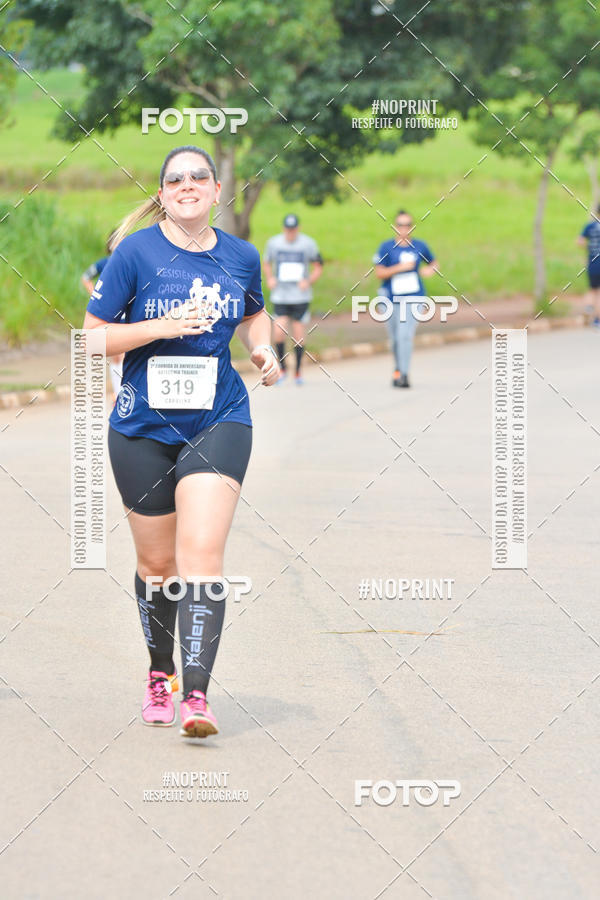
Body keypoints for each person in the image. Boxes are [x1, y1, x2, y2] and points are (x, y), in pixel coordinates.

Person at [83, 145, 280, 739]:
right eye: (176, 179)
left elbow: (253, 315)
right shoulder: (135, 254)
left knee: (200, 557)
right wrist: (164, 327)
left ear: (217, 191)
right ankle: (160, 674)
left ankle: (196, 695)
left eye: (199, 176)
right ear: (163, 194)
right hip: (141, 427)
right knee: (158, 563)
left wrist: (262, 349)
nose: (188, 184)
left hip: (217, 420)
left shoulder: (242, 256)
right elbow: (91, 340)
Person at [373, 210, 437, 388]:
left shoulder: (420, 246)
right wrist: (400, 268)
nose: (404, 228)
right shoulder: (386, 248)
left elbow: (433, 262)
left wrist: (429, 270)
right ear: (395, 226)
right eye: (400, 225)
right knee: (395, 339)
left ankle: (404, 374)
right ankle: (398, 368)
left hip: (413, 298)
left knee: (405, 335)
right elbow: (379, 272)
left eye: (407, 225)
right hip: (391, 298)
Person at [264, 213, 323, 385]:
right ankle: (282, 367)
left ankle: (298, 370)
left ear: (298, 229)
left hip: (300, 296)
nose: (290, 233)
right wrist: (270, 278)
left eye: (293, 229)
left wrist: (309, 281)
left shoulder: (308, 244)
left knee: (298, 335)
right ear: (284, 229)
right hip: (281, 295)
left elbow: (318, 266)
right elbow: (267, 262)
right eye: (288, 229)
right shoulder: (274, 243)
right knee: (279, 332)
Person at [82, 245, 124, 402]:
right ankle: (117, 390)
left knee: (125, 352)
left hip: (126, 312)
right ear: (110, 245)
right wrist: (96, 295)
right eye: (117, 240)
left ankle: (122, 392)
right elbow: (86, 277)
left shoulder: (131, 262)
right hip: (109, 313)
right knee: (116, 355)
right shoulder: (104, 263)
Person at [577, 206, 600, 326]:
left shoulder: (589, 226)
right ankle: (597, 319)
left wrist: (590, 249)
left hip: (592, 262)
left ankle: (588, 307)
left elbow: (580, 241)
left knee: (592, 289)